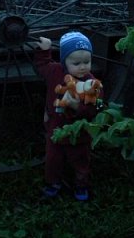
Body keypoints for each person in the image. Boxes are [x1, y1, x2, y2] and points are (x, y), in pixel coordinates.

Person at [34, 31, 103, 201]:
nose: (82, 67)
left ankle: (81, 185)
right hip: (55, 129)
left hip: (79, 133)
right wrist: (45, 49)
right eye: (76, 63)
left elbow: (96, 108)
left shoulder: (92, 84)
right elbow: (42, 66)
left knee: (80, 159)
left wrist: (76, 106)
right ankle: (53, 183)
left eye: (87, 62)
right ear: (64, 61)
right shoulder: (55, 72)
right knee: (53, 159)